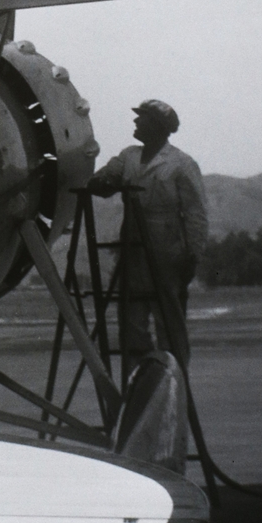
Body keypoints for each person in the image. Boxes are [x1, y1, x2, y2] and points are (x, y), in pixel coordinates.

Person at [88, 99, 208, 362]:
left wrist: (193, 255)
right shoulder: (128, 156)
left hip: (167, 253)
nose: (136, 122)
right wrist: (100, 180)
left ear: (157, 125)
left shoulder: (181, 163)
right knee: (131, 322)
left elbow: (196, 214)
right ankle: (138, 385)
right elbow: (104, 181)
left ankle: (176, 383)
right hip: (131, 249)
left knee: (169, 322)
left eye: (142, 118)